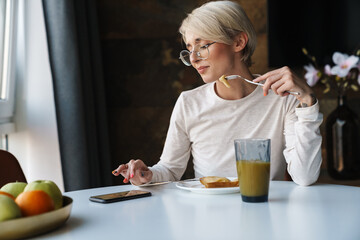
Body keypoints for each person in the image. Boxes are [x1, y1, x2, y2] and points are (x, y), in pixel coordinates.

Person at [113, 0, 323, 186]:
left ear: (239, 42)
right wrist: (147, 175)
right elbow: (169, 169)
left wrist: (307, 101)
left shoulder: (282, 99)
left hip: (263, 211)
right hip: (208, 219)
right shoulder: (189, 103)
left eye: (202, 46)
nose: (193, 59)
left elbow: (305, 176)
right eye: (189, 50)